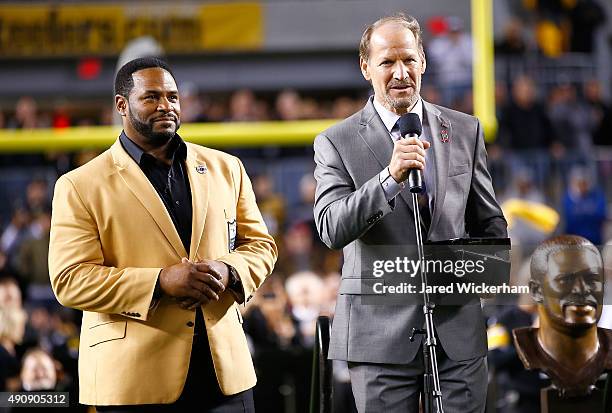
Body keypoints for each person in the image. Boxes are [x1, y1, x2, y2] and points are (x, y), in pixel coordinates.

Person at [48, 57, 277, 411]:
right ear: (122, 105)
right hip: (133, 379)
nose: (165, 106)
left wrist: (229, 270)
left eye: (172, 96)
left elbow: (261, 246)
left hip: (225, 375)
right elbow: (69, 280)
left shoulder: (227, 168)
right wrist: (159, 282)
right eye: (151, 97)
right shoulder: (79, 185)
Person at [313, 13, 507, 412]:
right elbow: (331, 227)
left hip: (459, 334)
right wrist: (389, 177)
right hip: (377, 337)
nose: (400, 73)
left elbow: (490, 224)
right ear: (366, 67)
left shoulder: (465, 129)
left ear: (423, 61)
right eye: (387, 62)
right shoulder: (336, 141)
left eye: (409, 60)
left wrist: (479, 276)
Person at [513, 235, 612, 398]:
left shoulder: (608, 349)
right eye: (566, 279)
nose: (581, 289)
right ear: (537, 291)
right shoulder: (528, 347)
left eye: (592, 279)